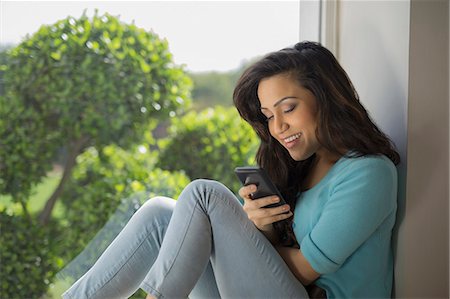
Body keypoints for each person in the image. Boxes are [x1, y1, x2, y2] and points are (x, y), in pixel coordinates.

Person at [62, 41, 400, 299]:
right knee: (161, 214)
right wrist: (260, 230)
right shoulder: (305, 168)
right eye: (268, 115)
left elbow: (304, 271)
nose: (277, 127)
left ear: (325, 98)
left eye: (288, 108)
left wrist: (229, 240)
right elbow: (266, 268)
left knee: (204, 195)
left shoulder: (369, 173)